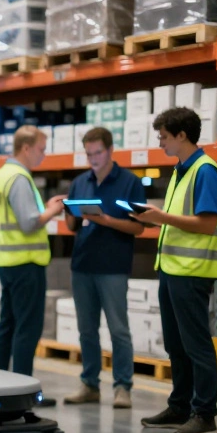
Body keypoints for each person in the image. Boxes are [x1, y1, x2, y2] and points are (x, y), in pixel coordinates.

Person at [131, 108, 217, 433]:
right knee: (175, 344)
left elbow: (206, 223)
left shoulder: (206, 171)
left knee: (196, 344)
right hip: (172, 269)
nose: (161, 143)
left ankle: (205, 414)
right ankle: (180, 406)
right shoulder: (180, 171)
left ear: (181, 135)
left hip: (193, 270)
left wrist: (160, 217)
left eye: (164, 137)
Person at [62, 128, 145, 408]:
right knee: (87, 329)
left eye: (98, 152)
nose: (93, 159)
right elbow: (72, 226)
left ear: (110, 150)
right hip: (83, 264)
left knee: (118, 329)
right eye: (89, 154)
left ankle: (123, 387)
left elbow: (138, 226)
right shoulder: (79, 183)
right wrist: (71, 213)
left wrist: (107, 221)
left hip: (113, 266)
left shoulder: (129, 183)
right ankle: (90, 384)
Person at [0, 126, 66, 401]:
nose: (43, 155)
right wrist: (52, 211)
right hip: (26, 263)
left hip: (7, 261)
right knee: (27, 328)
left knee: (7, 325)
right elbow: (30, 222)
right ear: (26, 148)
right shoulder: (19, 178)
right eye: (42, 149)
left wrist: (42, 210)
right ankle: (23, 393)